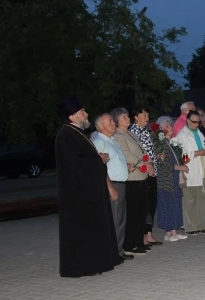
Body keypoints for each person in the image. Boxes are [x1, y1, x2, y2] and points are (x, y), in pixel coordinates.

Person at [55, 96, 120, 277]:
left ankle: (98, 262)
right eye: (82, 111)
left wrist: (97, 159)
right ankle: (85, 266)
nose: (86, 114)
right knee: (82, 232)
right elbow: (74, 166)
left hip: (89, 190)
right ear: (73, 116)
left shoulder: (77, 133)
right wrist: (98, 159)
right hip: (78, 195)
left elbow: (83, 160)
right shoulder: (66, 136)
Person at [92, 113, 134, 262]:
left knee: (120, 219)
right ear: (101, 126)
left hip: (120, 183)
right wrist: (110, 188)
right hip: (113, 185)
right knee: (115, 219)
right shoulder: (99, 142)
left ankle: (119, 250)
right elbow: (99, 168)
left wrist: (125, 166)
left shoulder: (112, 140)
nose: (113, 123)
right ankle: (112, 253)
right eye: (110, 121)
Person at [111, 107, 153, 256]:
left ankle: (138, 241)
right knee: (132, 212)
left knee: (141, 211)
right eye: (124, 117)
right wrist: (145, 164)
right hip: (132, 178)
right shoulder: (118, 135)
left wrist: (148, 163)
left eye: (127, 116)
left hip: (141, 177)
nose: (128, 118)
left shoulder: (129, 133)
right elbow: (127, 156)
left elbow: (142, 152)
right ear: (116, 121)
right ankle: (129, 244)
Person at [129, 105, 162, 246]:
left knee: (152, 203)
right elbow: (137, 154)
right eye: (144, 115)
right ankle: (142, 234)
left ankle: (149, 233)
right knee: (145, 205)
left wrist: (156, 158)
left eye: (148, 116)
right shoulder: (133, 132)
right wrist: (149, 163)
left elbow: (149, 151)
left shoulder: (146, 132)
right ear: (135, 116)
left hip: (152, 172)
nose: (147, 118)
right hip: (143, 172)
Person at [176, 110, 205, 235]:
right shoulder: (182, 136)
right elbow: (182, 157)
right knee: (189, 200)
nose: (196, 124)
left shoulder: (200, 134)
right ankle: (190, 227)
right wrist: (198, 153)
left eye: (198, 122)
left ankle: (202, 225)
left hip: (202, 170)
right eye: (194, 121)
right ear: (188, 120)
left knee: (201, 199)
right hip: (190, 171)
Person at [155, 116, 188, 241]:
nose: (170, 129)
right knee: (168, 204)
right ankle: (169, 232)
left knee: (174, 204)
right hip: (166, 180)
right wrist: (179, 167)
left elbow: (176, 158)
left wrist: (183, 162)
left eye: (170, 126)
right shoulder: (160, 144)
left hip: (173, 178)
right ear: (161, 130)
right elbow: (163, 163)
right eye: (167, 127)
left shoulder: (171, 142)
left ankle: (172, 231)